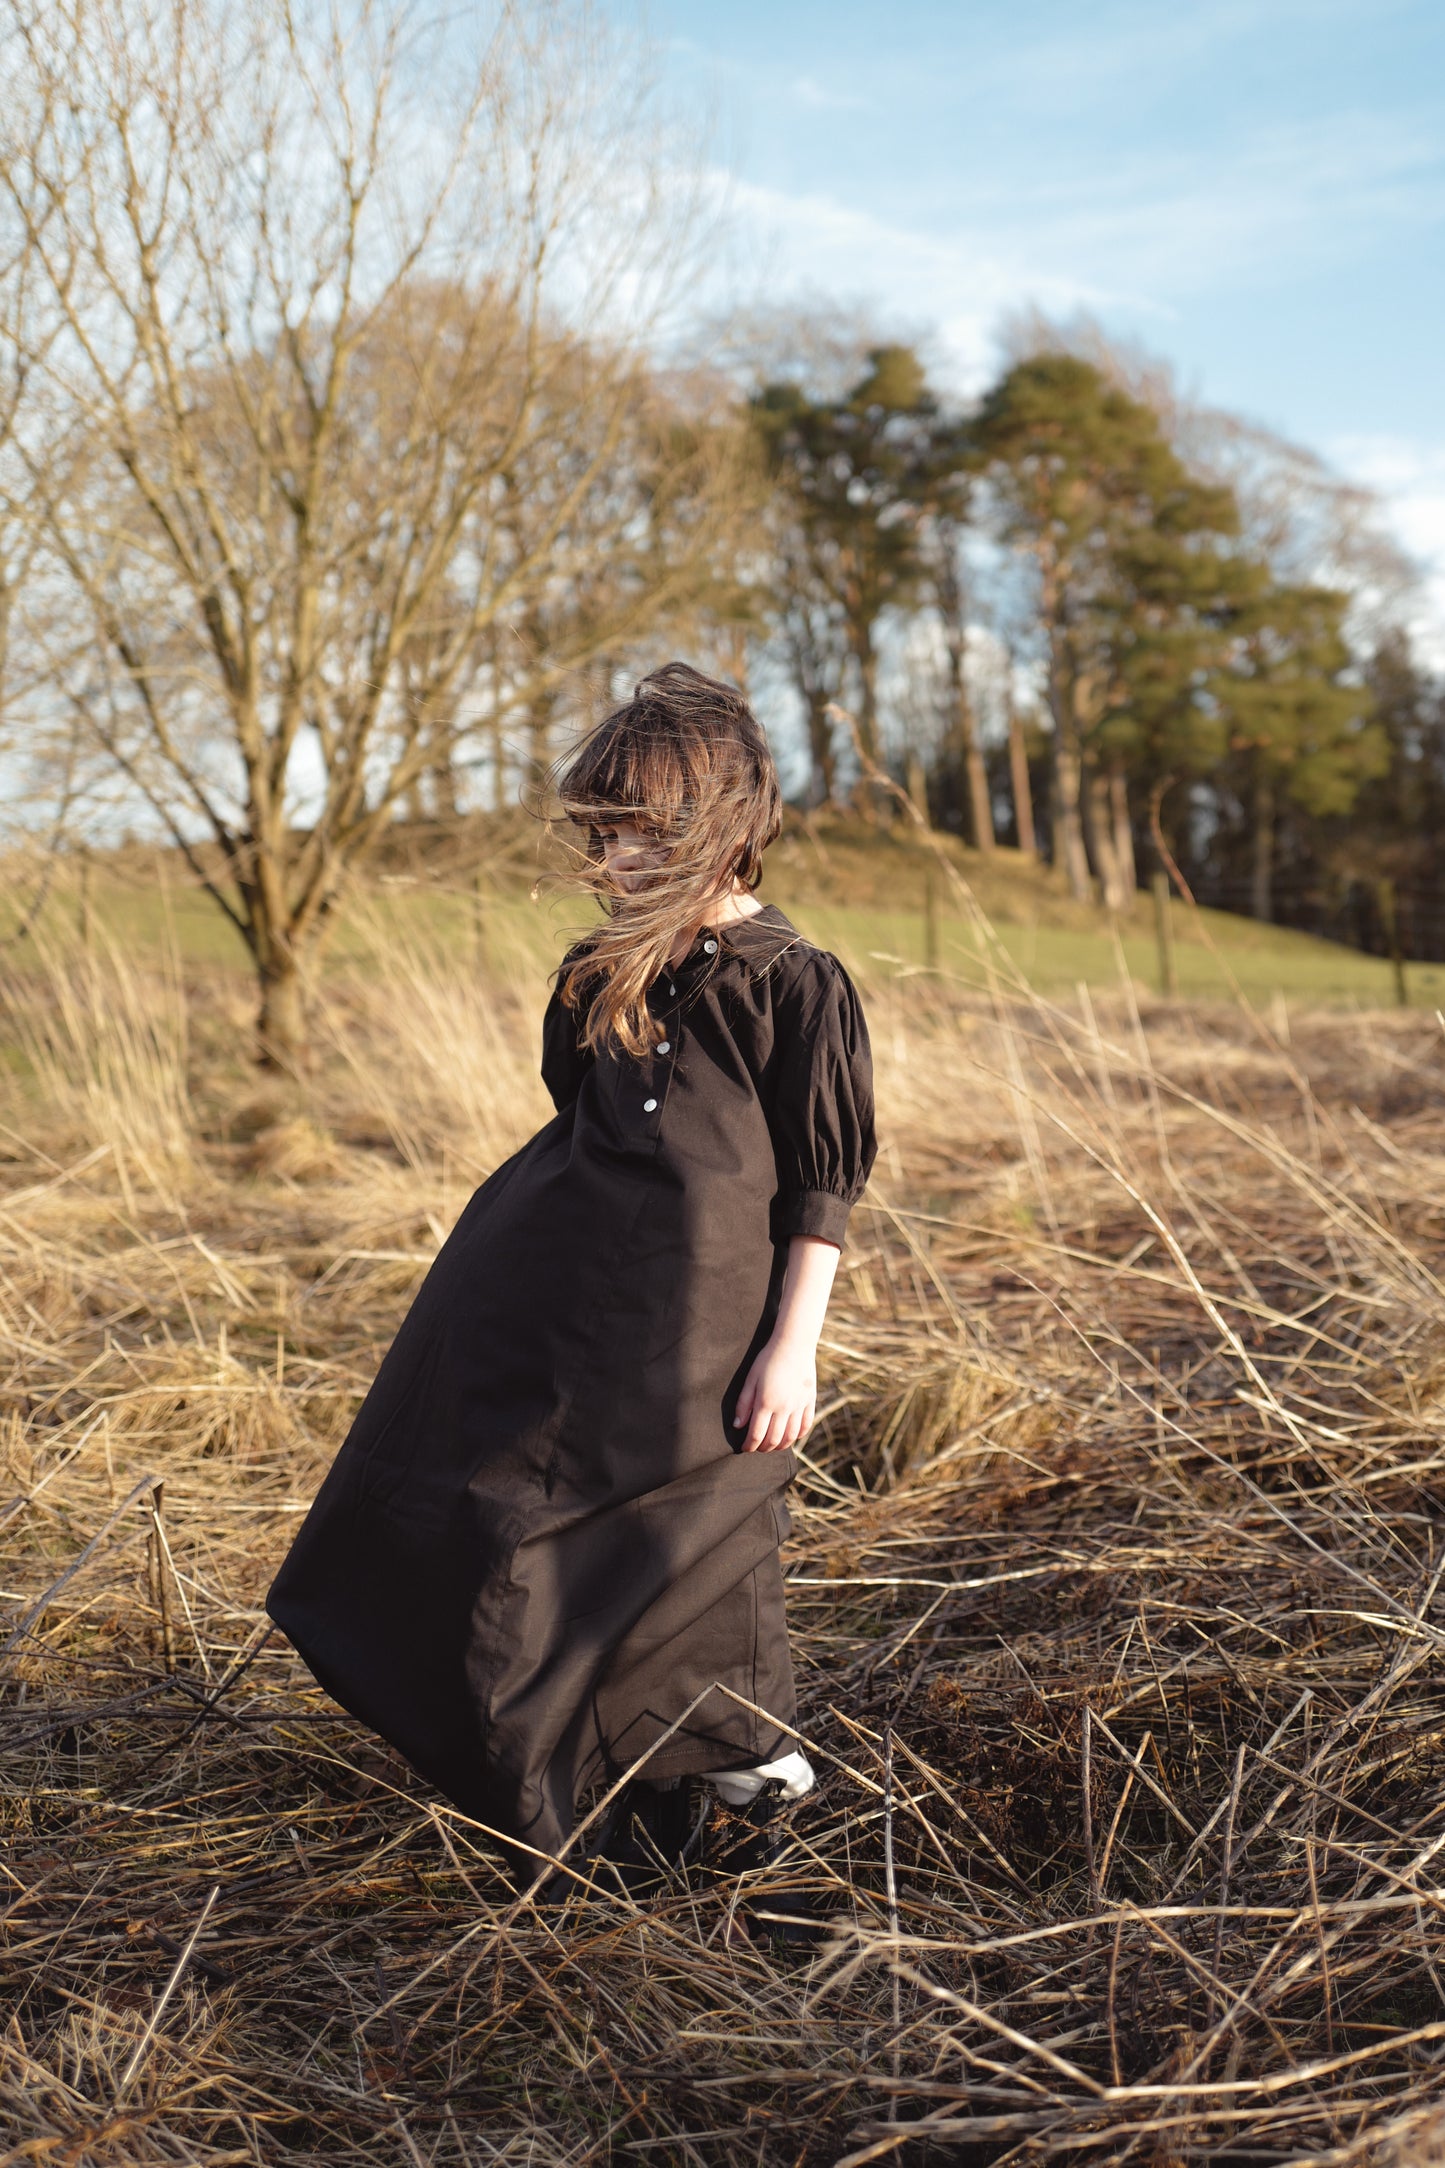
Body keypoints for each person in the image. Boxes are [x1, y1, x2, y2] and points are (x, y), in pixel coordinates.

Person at [266, 663, 877, 1903]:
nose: (608, 859)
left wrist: (791, 1345)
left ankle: (739, 1767)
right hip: (546, 1293)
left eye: (636, 832)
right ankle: (561, 1770)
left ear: (718, 823)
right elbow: (579, 1123)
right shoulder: (598, 969)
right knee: (493, 1508)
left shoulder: (790, 981)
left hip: (702, 1322)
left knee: (694, 1522)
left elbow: (821, 1182)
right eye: (595, 832)